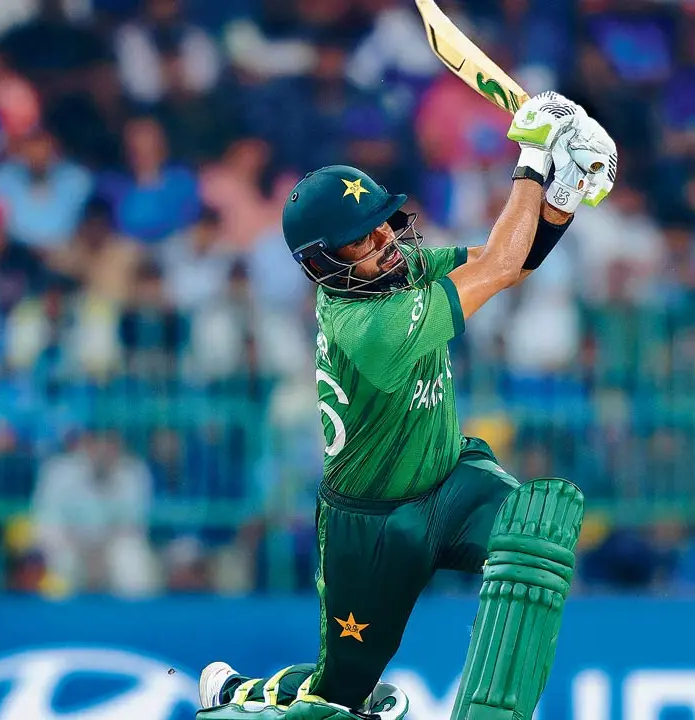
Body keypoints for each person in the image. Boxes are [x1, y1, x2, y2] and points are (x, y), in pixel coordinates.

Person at [195, 92, 617, 720]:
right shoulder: (369, 328)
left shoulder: (397, 267)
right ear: (321, 264)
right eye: (359, 241)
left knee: (535, 536)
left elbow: (504, 262)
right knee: (344, 691)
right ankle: (236, 691)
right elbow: (500, 265)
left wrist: (563, 193)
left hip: (451, 481)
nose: (384, 241)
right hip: (372, 527)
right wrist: (534, 157)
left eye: (384, 223)